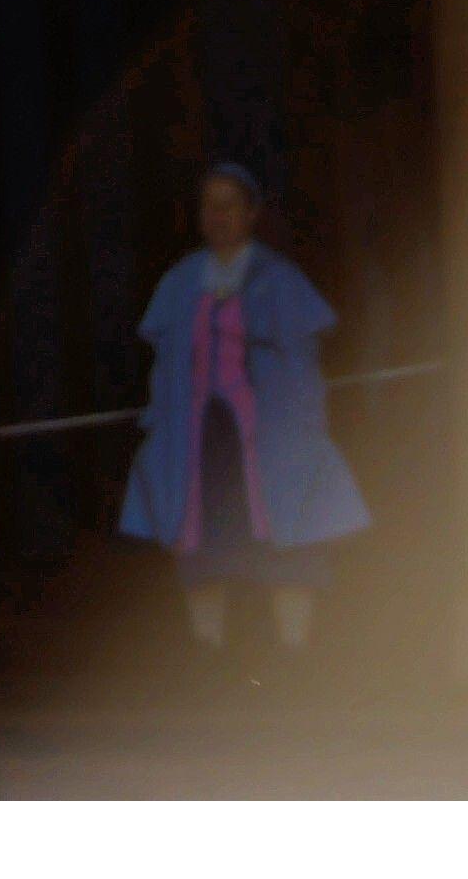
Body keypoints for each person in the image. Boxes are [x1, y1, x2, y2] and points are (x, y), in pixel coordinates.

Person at [122, 160, 369, 661]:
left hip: (268, 439)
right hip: (199, 441)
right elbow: (166, 369)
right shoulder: (181, 282)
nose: (218, 216)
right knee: (200, 544)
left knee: (286, 537)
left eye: (229, 205)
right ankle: (207, 653)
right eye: (209, 206)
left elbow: (303, 368)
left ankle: (294, 653)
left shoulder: (280, 280)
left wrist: (302, 428)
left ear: (251, 213)